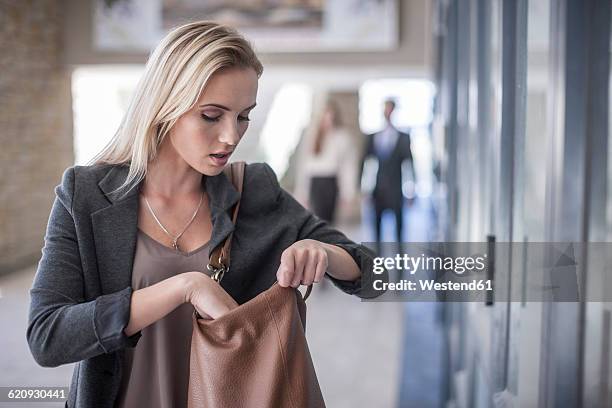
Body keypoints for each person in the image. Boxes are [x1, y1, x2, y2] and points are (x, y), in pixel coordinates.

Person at [26, 21, 384, 408]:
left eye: (243, 116)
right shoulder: (86, 195)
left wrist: (324, 252)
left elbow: (377, 274)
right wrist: (185, 287)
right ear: (165, 105)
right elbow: (47, 337)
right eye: (212, 115)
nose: (231, 136)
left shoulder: (254, 189)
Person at [360, 98, 414, 254]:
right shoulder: (372, 137)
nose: (387, 113)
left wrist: (410, 190)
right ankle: (377, 259)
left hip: (396, 190)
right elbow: (365, 163)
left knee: (399, 229)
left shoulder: (403, 137)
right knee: (376, 228)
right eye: (385, 109)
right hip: (377, 189)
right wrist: (363, 188)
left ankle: (400, 260)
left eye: (390, 109)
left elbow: (409, 165)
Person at [294, 100, 358, 224]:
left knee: (329, 221)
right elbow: (304, 166)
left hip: (330, 182)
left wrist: (348, 193)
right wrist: (302, 191)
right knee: (316, 219)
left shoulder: (342, 137)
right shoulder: (312, 136)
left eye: (331, 117)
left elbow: (348, 167)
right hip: (315, 182)